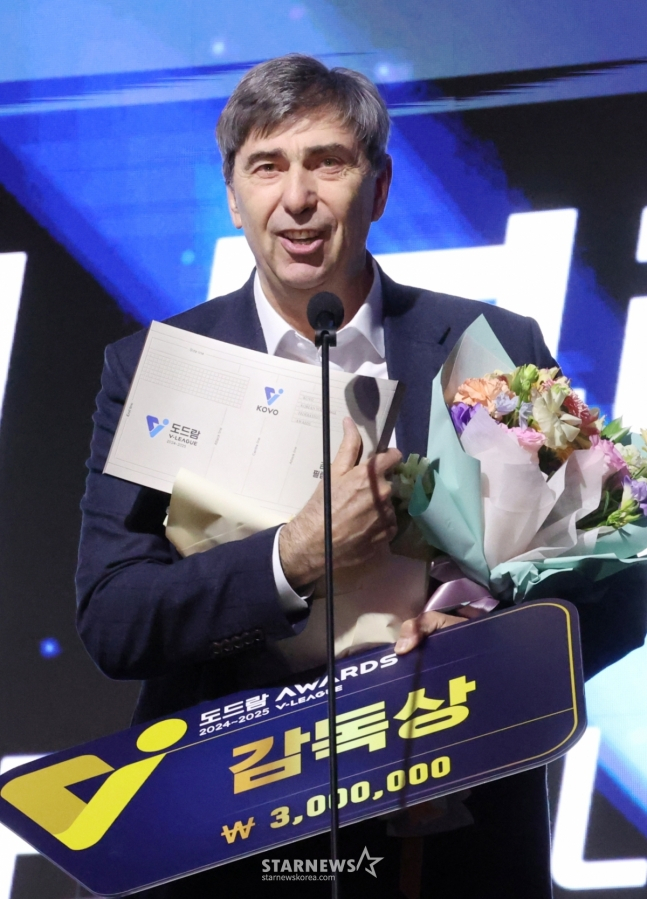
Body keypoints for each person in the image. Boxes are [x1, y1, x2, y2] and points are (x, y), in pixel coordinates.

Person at [76, 54, 646, 899]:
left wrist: (494, 651)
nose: (296, 197)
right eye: (266, 167)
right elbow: (116, 616)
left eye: (327, 162)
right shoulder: (158, 367)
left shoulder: (492, 346)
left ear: (377, 188)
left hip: (451, 843)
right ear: (232, 196)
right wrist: (292, 559)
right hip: (231, 836)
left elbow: (618, 586)